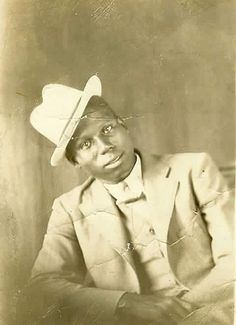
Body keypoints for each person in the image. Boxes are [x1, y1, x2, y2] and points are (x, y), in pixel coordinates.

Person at [24, 75, 234, 324]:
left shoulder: (193, 168)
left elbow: (233, 256)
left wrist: (187, 315)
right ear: (75, 162)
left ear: (124, 124)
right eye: (86, 143)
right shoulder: (69, 209)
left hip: (217, 308)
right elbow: (43, 286)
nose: (104, 146)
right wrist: (125, 303)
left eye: (107, 129)